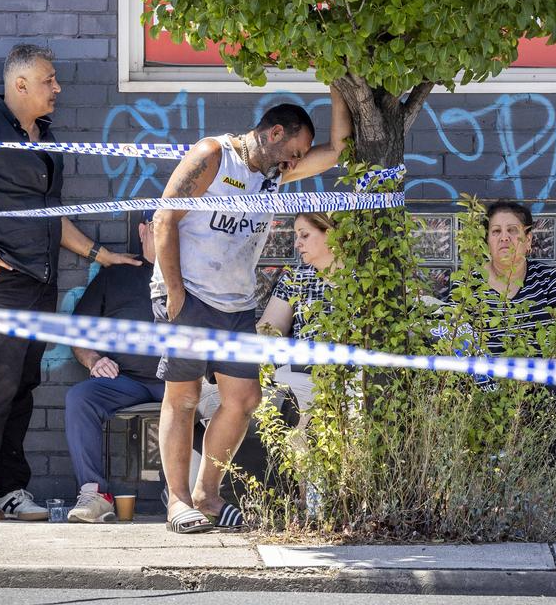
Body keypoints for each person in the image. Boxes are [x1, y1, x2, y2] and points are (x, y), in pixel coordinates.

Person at [0, 44, 139, 522]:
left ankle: (10, 490)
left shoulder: (45, 139)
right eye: (49, 80)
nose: (57, 88)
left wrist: (102, 256)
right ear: (20, 85)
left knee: (23, 384)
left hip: (41, 282)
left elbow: (52, 218)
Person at [153, 88, 351, 533]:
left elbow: (338, 150)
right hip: (189, 291)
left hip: (236, 300)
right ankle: (178, 502)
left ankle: (206, 495)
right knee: (182, 398)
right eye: (293, 151)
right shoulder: (213, 155)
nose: (293, 162)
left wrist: (339, 82)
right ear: (274, 132)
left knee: (244, 400)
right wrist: (174, 292)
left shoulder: (273, 173)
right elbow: (164, 218)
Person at [65, 211, 163, 523]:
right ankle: (96, 495)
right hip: (127, 380)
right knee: (81, 398)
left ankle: (193, 493)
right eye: (159, 228)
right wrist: (94, 360)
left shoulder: (192, 273)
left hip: (179, 379)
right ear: (143, 231)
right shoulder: (117, 274)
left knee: (214, 401)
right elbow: (77, 331)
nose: (167, 236)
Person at [256, 212, 337, 411]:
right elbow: (269, 329)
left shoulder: (365, 280)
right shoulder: (295, 279)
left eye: (304, 235)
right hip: (304, 376)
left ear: (330, 234)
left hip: (354, 376)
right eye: (296, 236)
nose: (296, 244)